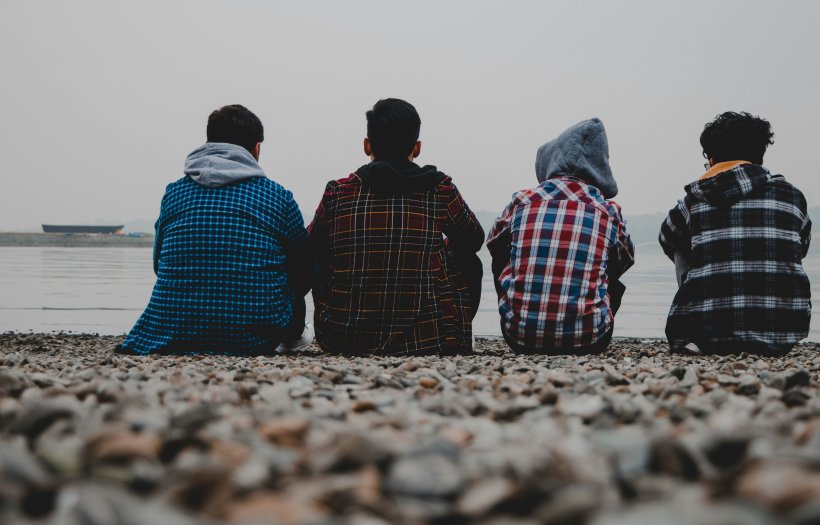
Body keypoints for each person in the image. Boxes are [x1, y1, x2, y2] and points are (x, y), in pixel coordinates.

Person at [118, 105, 315, 355]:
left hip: (172, 331)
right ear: (256, 149)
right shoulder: (277, 197)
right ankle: (292, 338)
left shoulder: (174, 194)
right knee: (295, 276)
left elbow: (159, 264)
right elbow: (305, 272)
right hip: (255, 337)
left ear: (209, 143)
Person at [308, 98, 484, 355]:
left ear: (367, 145)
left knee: (318, 251)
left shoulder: (338, 193)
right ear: (417, 148)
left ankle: (334, 321)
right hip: (428, 340)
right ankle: (456, 331)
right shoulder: (439, 189)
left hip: (342, 340)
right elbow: (474, 239)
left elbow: (310, 246)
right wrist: (438, 249)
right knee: (467, 257)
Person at [659, 111, 812, 356]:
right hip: (783, 334)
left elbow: (666, 238)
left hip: (708, 335)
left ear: (712, 160)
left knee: (681, 242)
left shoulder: (694, 199)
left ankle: (699, 318)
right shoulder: (792, 196)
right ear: (759, 156)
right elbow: (802, 246)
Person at [487, 118, 634, 355]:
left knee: (503, 251)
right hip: (590, 340)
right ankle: (585, 317)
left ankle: (521, 314)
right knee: (610, 263)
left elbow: (492, 243)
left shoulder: (522, 201)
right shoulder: (608, 212)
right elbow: (625, 260)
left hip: (519, 338)